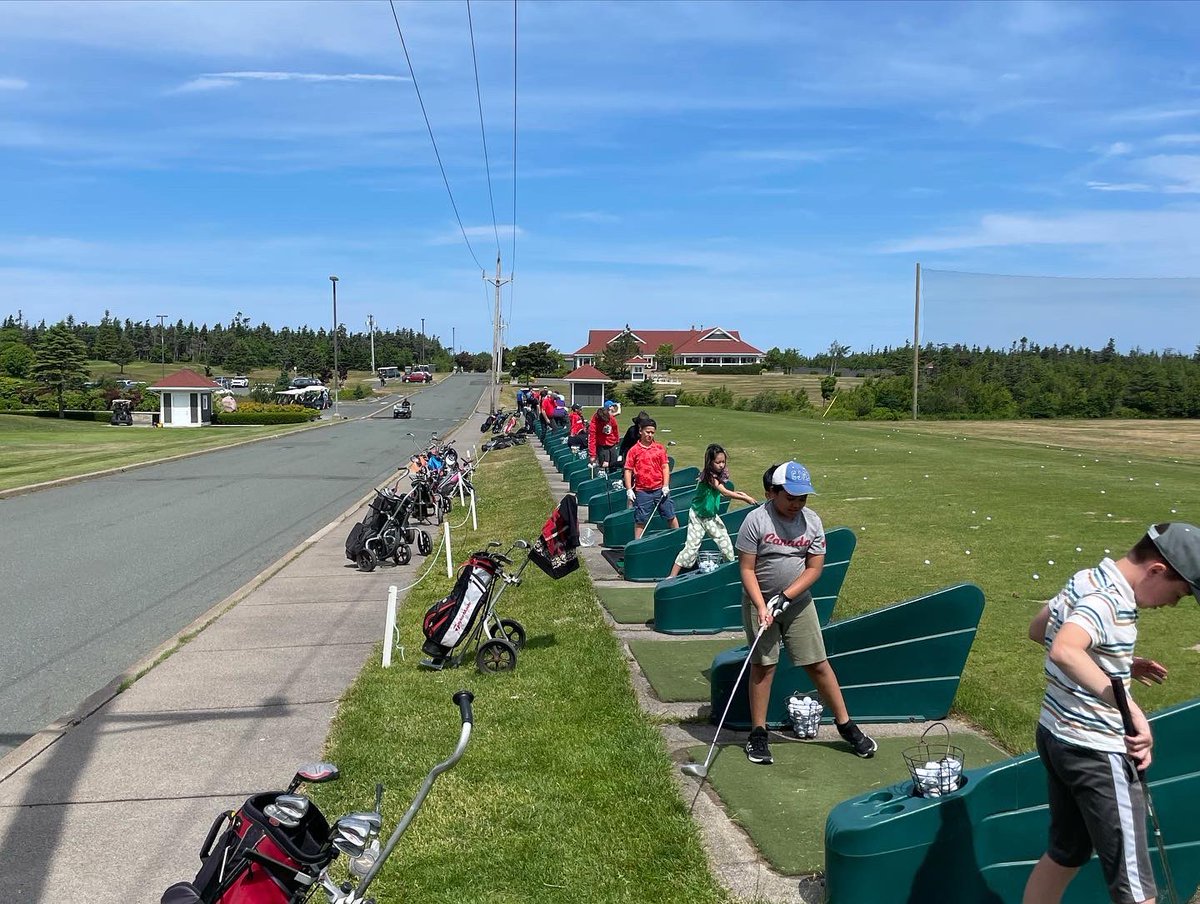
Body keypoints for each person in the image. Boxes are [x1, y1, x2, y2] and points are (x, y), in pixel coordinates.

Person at [1022, 522, 1200, 904]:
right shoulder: (1110, 600)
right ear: (1156, 571)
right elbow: (1064, 649)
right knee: (1135, 887)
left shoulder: (1087, 579)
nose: (1173, 605)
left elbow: (1041, 630)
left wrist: (1114, 661)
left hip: (1055, 735)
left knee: (1066, 852)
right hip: (1096, 753)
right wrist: (1128, 706)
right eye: (1180, 594)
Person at [737, 462, 877, 765]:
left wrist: (787, 596)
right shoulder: (755, 520)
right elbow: (746, 568)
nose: (796, 504)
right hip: (759, 602)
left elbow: (814, 568)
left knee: (817, 664)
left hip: (798, 603)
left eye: (802, 498)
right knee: (764, 666)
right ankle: (758, 734)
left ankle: (845, 725)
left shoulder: (812, 521)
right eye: (790, 497)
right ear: (773, 492)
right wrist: (762, 606)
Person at [667, 444, 758, 579]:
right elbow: (725, 492)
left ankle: (730, 572)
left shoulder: (718, 475)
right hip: (697, 516)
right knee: (691, 547)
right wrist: (746, 499)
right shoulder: (709, 476)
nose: (721, 465)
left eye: (723, 462)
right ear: (710, 462)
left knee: (725, 541)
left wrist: (744, 495)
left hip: (710, 516)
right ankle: (672, 576)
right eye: (718, 462)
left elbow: (727, 491)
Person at [622, 417, 679, 541]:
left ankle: (678, 538)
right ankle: (637, 543)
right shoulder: (634, 450)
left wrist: (665, 485)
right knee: (640, 519)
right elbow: (628, 470)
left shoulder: (659, 448)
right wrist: (629, 489)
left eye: (652, 432)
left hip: (659, 489)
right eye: (647, 432)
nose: (650, 435)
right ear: (640, 431)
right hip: (642, 491)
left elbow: (665, 467)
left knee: (670, 514)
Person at [588, 401, 621, 472]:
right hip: (602, 445)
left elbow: (615, 429)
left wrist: (617, 439)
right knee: (604, 464)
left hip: (612, 443)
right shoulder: (594, 424)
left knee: (614, 464)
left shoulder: (611, 418)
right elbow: (592, 439)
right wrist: (592, 455)